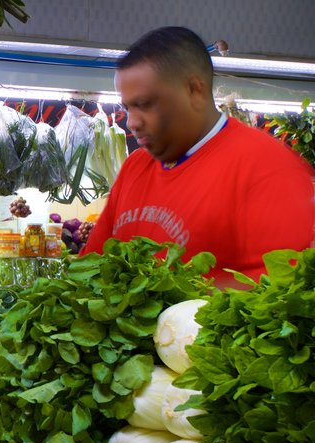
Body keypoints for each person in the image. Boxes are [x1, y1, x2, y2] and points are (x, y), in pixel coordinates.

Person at [83, 27, 314, 284]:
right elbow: (90, 266)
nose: (132, 123)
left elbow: (284, 286)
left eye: (145, 104)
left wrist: (172, 308)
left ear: (195, 90)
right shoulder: (135, 167)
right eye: (127, 107)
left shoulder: (269, 166)